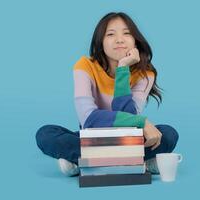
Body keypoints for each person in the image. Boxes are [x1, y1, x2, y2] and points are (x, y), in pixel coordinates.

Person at [36, 12, 179, 176]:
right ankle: (138, 162)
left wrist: (123, 69)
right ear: (100, 42)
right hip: (92, 139)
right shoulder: (84, 66)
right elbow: (89, 119)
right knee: (45, 133)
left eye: (127, 33)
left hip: (128, 140)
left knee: (168, 133)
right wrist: (143, 122)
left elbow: (129, 121)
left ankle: (82, 162)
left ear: (135, 40)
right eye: (110, 34)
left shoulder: (145, 74)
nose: (119, 39)